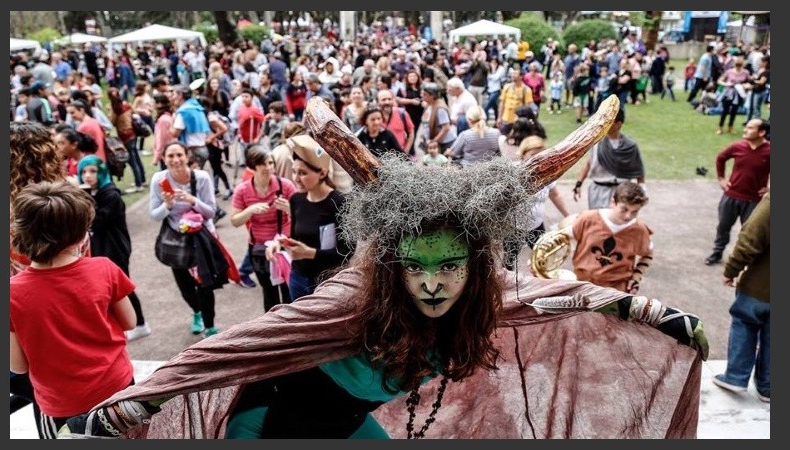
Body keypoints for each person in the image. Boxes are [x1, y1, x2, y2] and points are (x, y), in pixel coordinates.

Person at [59, 96, 708, 440]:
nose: (432, 284)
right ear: (391, 264)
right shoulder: (350, 299)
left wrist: (656, 314)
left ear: (476, 271)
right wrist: (127, 407)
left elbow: (551, 296)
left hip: (347, 426)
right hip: (270, 426)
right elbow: (235, 348)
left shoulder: (486, 292)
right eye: (416, 268)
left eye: (452, 268)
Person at [11, 180, 137, 439]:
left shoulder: (11, 292)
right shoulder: (104, 269)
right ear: (82, 233)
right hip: (118, 388)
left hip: (61, 405)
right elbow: (129, 322)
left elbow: (18, 365)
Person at [9, 121, 76, 435]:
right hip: (77, 307)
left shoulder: (14, 217)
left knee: (48, 403)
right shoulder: (71, 198)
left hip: (33, 324)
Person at [148, 141, 229, 338]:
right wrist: (167, 205)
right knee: (184, 283)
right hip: (176, 240)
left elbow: (210, 212)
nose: (175, 160)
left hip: (201, 237)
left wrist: (192, 200)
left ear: (187, 156)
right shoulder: (159, 180)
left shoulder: (201, 178)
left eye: (179, 155)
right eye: (170, 156)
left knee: (205, 284)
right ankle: (197, 312)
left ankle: (209, 326)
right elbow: (154, 215)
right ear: (164, 159)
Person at [265, 135, 351, 301]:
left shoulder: (339, 203)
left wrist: (310, 253)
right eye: (295, 171)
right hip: (298, 277)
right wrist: (280, 244)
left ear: (322, 173)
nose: (296, 178)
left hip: (327, 282)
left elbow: (346, 252)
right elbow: (295, 237)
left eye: (303, 173)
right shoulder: (296, 200)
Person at [78, 155, 151, 341]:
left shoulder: (110, 194)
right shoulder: (93, 194)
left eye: (93, 171)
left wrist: (84, 198)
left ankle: (141, 323)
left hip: (115, 248)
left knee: (122, 288)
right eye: (84, 172)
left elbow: (97, 221)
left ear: (101, 172)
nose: (87, 176)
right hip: (100, 248)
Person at [712, 192, 769, 403]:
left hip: (760, 287)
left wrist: (731, 271)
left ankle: (736, 377)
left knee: (745, 322)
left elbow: (749, 240)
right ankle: (768, 386)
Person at [230, 146, 296, 313]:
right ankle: (273, 329)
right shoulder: (243, 190)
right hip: (259, 249)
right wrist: (250, 210)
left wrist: (289, 209)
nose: (268, 168)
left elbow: (302, 217)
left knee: (290, 291)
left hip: (284, 246)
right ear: (252, 167)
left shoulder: (285, 186)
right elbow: (235, 221)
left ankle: (292, 328)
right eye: (262, 164)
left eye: (270, 163)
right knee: (269, 293)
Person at [564, 182, 653, 294]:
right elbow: (564, 238)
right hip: (582, 284)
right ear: (613, 202)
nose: (628, 216)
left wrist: (636, 277)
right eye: (624, 209)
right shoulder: (587, 219)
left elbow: (647, 254)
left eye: (635, 211)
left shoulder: (639, 230)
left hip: (616, 289)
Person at [705, 119, 770, 265]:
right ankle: (717, 253)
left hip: (753, 200)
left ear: (762, 132)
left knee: (748, 232)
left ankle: (740, 260)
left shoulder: (769, 151)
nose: (745, 130)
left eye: (750, 128)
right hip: (731, 196)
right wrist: (721, 178)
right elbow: (721, 158)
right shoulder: (738, 146)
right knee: (723, 226)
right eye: (746, 127)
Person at [573, 109, 645, 210]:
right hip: (598, 191)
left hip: (621, 192)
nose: (603, 123)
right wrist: (578, 184)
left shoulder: (630, 146)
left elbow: (639, 171)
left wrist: (642, 191)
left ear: (618, 124)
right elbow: (589, 163)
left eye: (608, 121)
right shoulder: (597, 142)